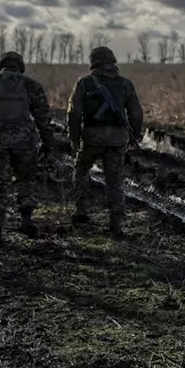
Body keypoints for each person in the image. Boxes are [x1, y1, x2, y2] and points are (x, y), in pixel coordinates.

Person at [0, 51, 56, 246]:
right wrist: (48, 142)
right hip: (25, 142)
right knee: (26, 181)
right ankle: (26, 220)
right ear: (20, 65)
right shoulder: (31, 85)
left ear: (1, 64)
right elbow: (43, 117)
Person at [66, 46, 143, 236]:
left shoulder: (84, 83)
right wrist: (135, 135)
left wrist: (75, 139)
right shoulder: (125, 84)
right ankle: (116, 224)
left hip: (91, 138)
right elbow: (136, 112)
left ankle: (81, 211)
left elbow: (73, 112)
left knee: (81, 171)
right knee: (114, 180)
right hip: (117, 140)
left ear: (93, 62)